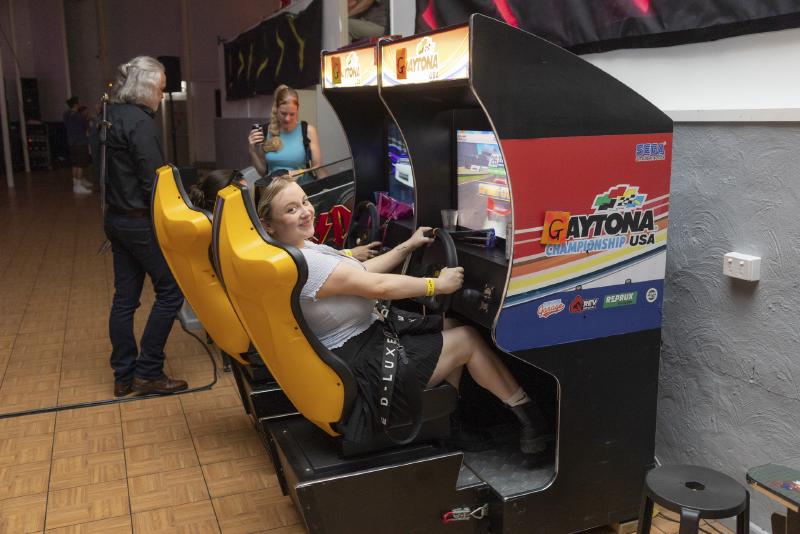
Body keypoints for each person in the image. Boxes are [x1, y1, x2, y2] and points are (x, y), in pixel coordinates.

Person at [257, 177, 550, 454]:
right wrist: (436, 284)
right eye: (291, 210)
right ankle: (532, 421)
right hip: (364, 370)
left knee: (451, 324)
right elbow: (379, 286)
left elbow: (361, 271)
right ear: (268, 225)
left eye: (305, 201)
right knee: (468, 339)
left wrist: (407, 246)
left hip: (361, 346)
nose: (306, 212)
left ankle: (448, 421)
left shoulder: (298, 250)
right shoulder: (305, 263)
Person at [103, 56, 187, 397]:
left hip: (114, 219)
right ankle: (149, 370)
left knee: (125, 299)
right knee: (171, 291)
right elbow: (155, 184)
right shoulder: (140, 123)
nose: (161, 97)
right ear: (147, 88)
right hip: (139, 223)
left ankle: (123, 375)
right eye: (161, 89)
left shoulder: (106, 117)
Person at [247, 85, 322, 182]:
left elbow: (317, 168)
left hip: (302, 187)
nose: (287, 119)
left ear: (297, 109)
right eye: (283, 113)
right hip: (275, 189)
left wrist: (298, 172)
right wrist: (252, 150)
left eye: (292, 114)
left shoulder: (308, 130)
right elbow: (263, 172)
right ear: (276, 109)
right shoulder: (265, 131)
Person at [63, 96, 93, 194]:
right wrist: (87, 118)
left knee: (74, 164)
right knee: (80, 165)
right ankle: (78, 186)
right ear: (76, 104)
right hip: (80, 142)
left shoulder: (66, 115)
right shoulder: (79, 116)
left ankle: (76, 184)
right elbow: (86, 127)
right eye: (79, 103)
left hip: (71, 142)